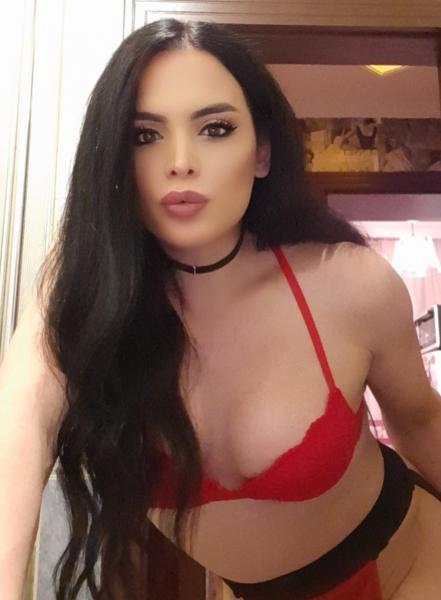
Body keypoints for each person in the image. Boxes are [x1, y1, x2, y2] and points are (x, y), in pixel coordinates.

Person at [1, 18, 441, 600]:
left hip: (411, 568)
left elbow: (421, 422)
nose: (180, 161)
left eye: (215, 128)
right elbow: (21, 423)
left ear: (261, 153)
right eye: (145, 135)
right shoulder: (84, 292)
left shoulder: (347, 280)